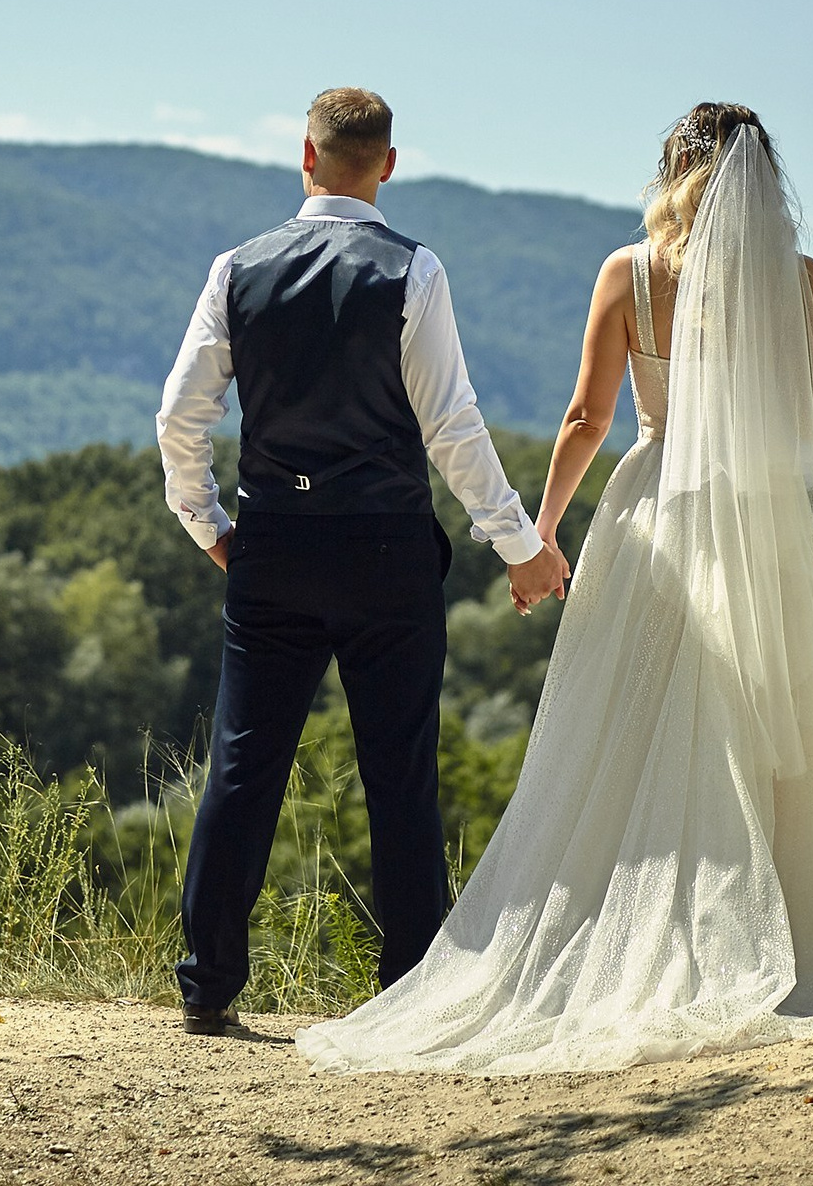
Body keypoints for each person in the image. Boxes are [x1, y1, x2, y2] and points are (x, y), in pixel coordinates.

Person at [298, 101, 813, 1074]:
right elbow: (807, 434)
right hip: (759, 526)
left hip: (653, 508)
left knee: (619, 729)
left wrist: (539, 533)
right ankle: (767, 962)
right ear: (762, 180)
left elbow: (586, 414)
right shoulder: (802, 283)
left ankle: (611, 952)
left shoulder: (632, 273)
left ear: (671, 172)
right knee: (750, 730)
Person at [156, 86, 569, 1036]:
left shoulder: (235, 269)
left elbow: (181, 416)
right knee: (399, 772)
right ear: (387, 164)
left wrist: (209, 523)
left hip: (272, 547)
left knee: (242, 766)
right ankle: (407, 989)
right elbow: (452, 428)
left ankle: (207, 982)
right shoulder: (413, 272)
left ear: (305, 157)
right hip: (385, 549)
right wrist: (521, 546)